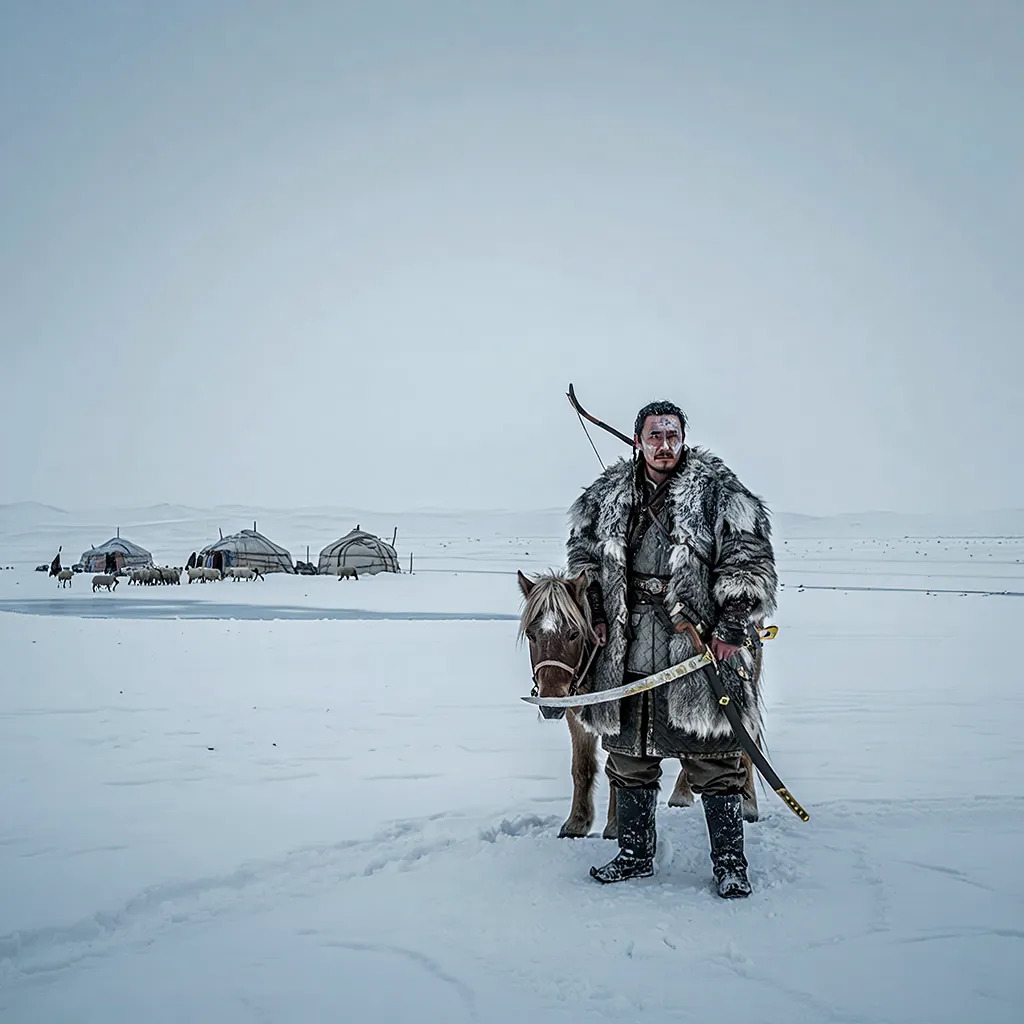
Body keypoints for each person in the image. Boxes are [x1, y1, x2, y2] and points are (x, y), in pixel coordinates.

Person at [566, 400, 777, 898]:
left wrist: (730, 623)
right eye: (655, 436)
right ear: (638, 440)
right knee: (630, 753)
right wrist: (595, 612)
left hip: (696, 643)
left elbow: (749, 557)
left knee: (714, 756)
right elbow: (583, 556)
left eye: (672, 435)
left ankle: (730, 863)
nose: (665, 445)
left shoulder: (719, 492)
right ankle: (635, 853)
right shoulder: (607, 496)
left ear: (683, 438)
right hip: (629, 640)